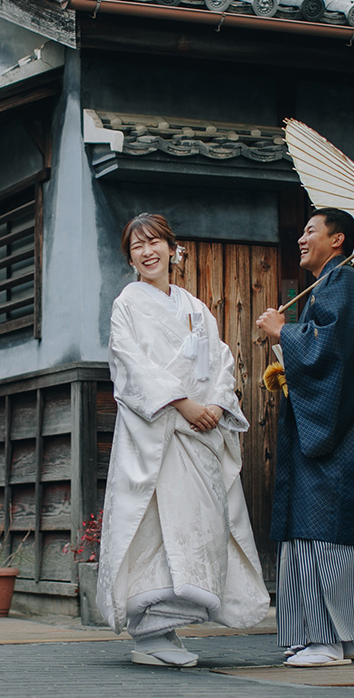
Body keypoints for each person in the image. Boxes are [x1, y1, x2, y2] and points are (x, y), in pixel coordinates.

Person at [98, 213, 269, 668]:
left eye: (155, 242)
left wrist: (214, 403)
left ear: (174, 249)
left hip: (198, 437)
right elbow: (130, 364)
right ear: (130, 257)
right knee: (152, 524)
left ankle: (166, 629)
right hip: (157, 435)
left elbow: (221, 360)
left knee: (203, 526)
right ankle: (150, 630)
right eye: (137, 246)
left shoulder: (195, 308)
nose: (147, 251)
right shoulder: (127, 304)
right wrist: (182, 403)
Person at [255, 207, 354, 668]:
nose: (301, 239)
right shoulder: (337, 286)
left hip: (339, 437)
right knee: (329, 530)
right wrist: (288, 354)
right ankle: (341, 638)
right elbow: (328, 355)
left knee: (323, 528)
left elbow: (329, 357)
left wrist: (283, 332)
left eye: (310, 231)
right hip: (351, 431)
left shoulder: (341, 284)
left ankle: (326, 641)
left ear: (337, 240)